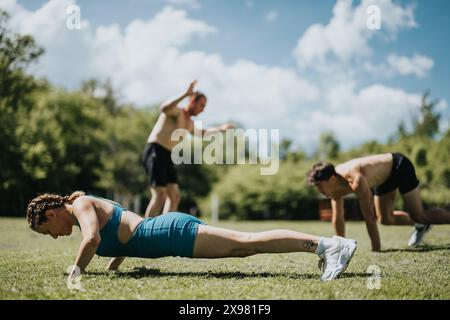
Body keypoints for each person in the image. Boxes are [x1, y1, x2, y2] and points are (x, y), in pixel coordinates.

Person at [26, 191, 357, 282]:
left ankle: (329, 246)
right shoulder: (86, 205)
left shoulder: (80, 204)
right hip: (167, 232)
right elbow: (124, 231)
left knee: (247, 243)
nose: (54, 237)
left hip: (170, 232)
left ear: (50, 215)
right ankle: (324, 247)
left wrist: (77, 271)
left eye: (47, 231)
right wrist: (114, 266)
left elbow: (94, 239)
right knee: (245, 248)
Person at [307, 153, 450, 251]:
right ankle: (422, 226)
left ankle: (421, 222)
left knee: (419, 215)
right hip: (384, 178)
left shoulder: (356, 179)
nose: (318, 190)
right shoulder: (334, 185)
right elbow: (337, 217)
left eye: (319, 185)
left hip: (399, 166)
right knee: (385, 218)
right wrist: (340, 247)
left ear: (331, 179)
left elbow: (369, 216)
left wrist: (376, 251)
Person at [142, 80, 233, 218]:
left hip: (167, 155)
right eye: (201, 105)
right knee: (159, 194)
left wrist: (220, 129)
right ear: (192, 101)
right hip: (155, 150)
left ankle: (162, 229)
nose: (203, 109)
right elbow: (164, 108)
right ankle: (143, 233)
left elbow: (202, 133)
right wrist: (185, 94)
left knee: (175, 196)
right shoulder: (176, 112)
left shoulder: (189, 123)